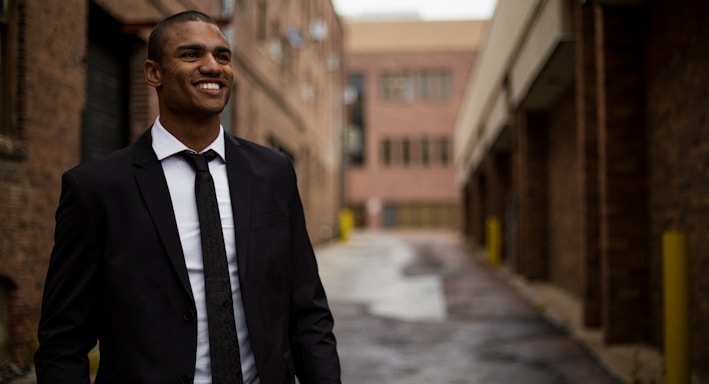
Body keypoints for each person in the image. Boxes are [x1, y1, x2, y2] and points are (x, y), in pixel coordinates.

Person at [34, 10, 340, 384]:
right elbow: (63, 338)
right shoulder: (97, 189)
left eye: (222, 56)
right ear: (154, 73)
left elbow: (307, 311)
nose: (213, 66)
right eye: (191, 54)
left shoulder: (273, 173)